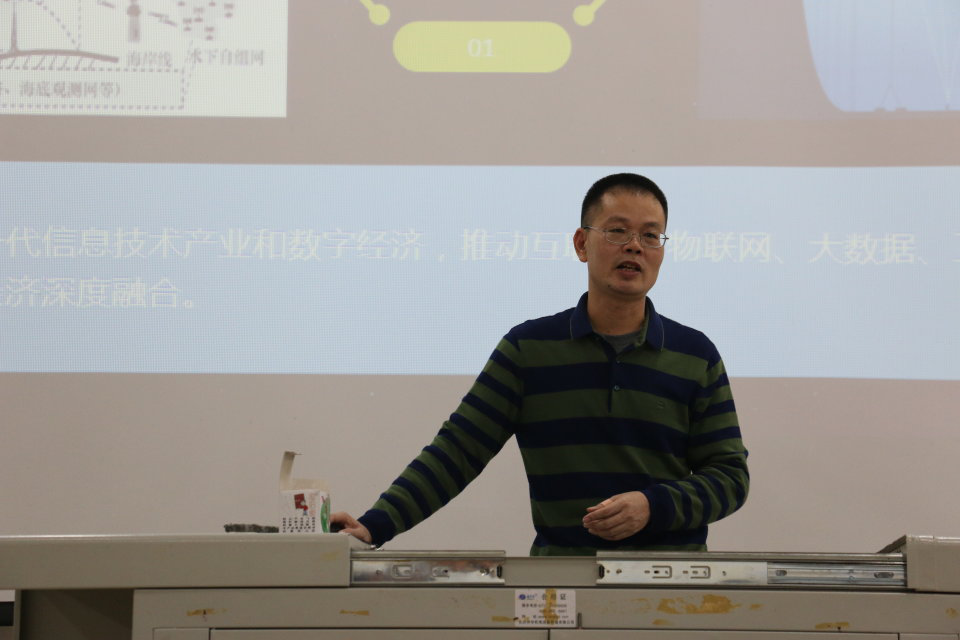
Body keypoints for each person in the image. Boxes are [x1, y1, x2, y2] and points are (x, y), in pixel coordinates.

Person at [332, 173, 749, 555]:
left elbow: (731, 477)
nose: (634, 246)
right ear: (582, 244)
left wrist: (653, 505)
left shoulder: (696, 355)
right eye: (617, 230)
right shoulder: (529, 349)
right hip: (562, 586)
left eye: (651, 235)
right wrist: (374, 526)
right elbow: (457, 452)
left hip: (672, 586)